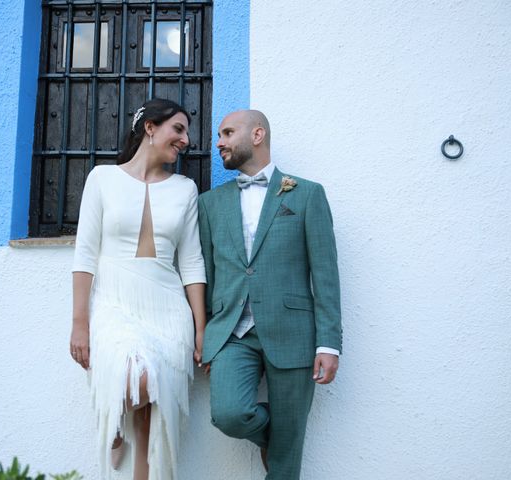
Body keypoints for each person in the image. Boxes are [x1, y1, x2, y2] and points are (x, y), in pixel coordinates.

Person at [198, 110, 342, 479]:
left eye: (228, 133)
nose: (219, 142)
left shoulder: (307, 194)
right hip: (233, 334)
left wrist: (329, 344)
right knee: (229, 414)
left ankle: (284, 445)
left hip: (294, 332)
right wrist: (210, 337)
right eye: (219, 135)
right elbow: (208, 276)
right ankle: (278, 437)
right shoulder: (210, 204)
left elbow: (324, 274)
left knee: (286, 461)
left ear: (257, 134)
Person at [70, 98, 207, 480]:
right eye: (178, 129)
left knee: (155, 397)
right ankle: (115, 421)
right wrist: (79, 323)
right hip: (114, 300)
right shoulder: (102, 179)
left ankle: (140, 470)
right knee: (139, 378)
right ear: (150, 127)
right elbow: (84, 255)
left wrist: (200, 327)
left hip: (167, 306)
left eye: (186, 132)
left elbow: (192, 263)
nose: (186, 140)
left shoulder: (185, 189)